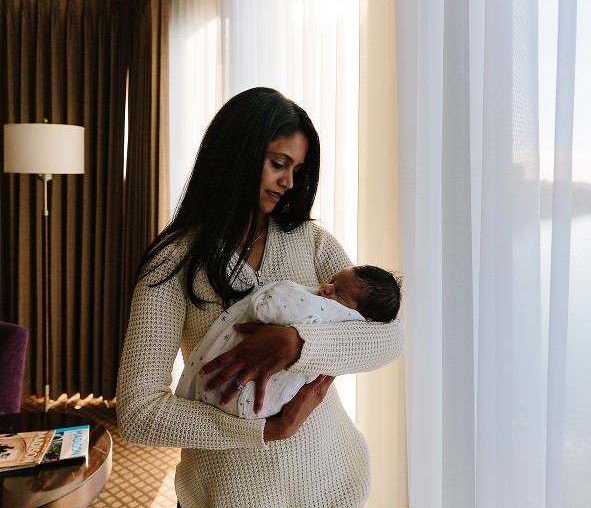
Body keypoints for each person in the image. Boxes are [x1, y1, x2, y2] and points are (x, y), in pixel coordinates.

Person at [116, 87, 405, 508]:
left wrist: (296, 345)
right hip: (228, 494)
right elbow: (139, 413)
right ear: (236, 155)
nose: (289, 182)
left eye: (296, 169)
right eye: (278, 164)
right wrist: (265, 431)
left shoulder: (311, 242)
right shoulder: (173, 262)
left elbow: (391, 336)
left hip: (332, 482)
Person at [175, 265, 401, 419]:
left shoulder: (317, 241)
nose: (325, 287)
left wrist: (295, 344)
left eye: (338, 292)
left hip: (333, 464)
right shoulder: (177, 257)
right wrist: (275, 430)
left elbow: (394, 337)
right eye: (331, 281)